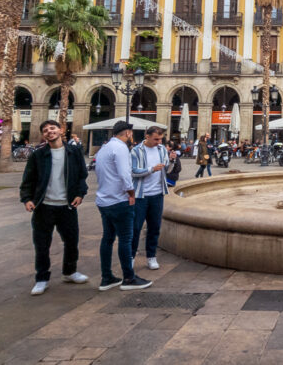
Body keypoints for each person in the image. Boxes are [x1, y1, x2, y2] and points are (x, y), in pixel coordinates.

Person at [20, 120, 90, 296]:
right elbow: (28, 179)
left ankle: (70, 272)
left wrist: (80, 194)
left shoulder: (73, 152)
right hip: (44, 206)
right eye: (45, 130)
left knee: (72, 241)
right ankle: (42, 278)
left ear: (61, 130)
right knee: (42, 244)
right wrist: (27, 198)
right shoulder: (38, 155)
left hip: (66, 206)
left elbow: (83, 176)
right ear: (43, 135)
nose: (49, 132)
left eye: (52, 128)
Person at [93, 120, 152, 292]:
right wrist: (131, 193)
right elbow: (125, 175)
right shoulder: (120, 148)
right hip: (119, 200)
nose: (131, 136)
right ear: (127, 133)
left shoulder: (105, 148)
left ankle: (107, 277)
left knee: (108, 239)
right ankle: (129, 278)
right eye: (131, 133)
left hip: (104, 200)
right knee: (126, 239)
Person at [130, 125, 170, 272]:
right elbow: (133, 172)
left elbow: (166, 170)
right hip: (141, 195)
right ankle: (131, 257)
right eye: (156, 139)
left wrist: (171, 162)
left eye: (160, 139)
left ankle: (151, 257)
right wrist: (151, 169)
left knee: (154, 227)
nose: (159, 142)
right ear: (147, 136)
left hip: (157, 194)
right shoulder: (136, 151)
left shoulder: (162, 149)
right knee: (135, 228)